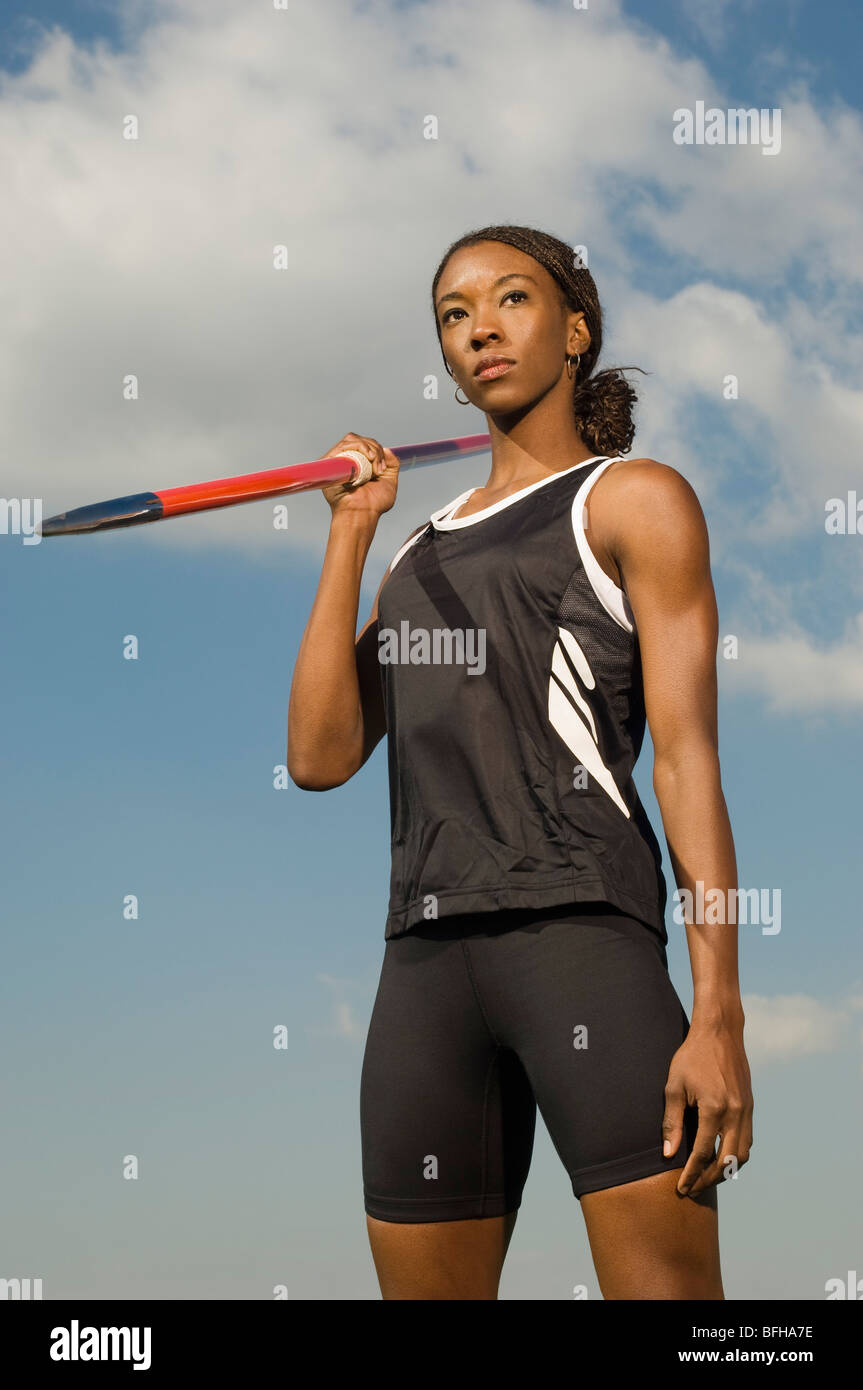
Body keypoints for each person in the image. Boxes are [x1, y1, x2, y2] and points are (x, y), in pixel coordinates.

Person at [287, 223, 753, 1300]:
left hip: (580, 937)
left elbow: (686, 763)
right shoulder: (419, 553)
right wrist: (352, 533)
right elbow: (317, 755)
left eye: (509, 300)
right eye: (453, 314)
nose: (478, 329)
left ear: (573, 329)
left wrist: (717, 1008)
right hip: (423, 963)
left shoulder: (630, 500)